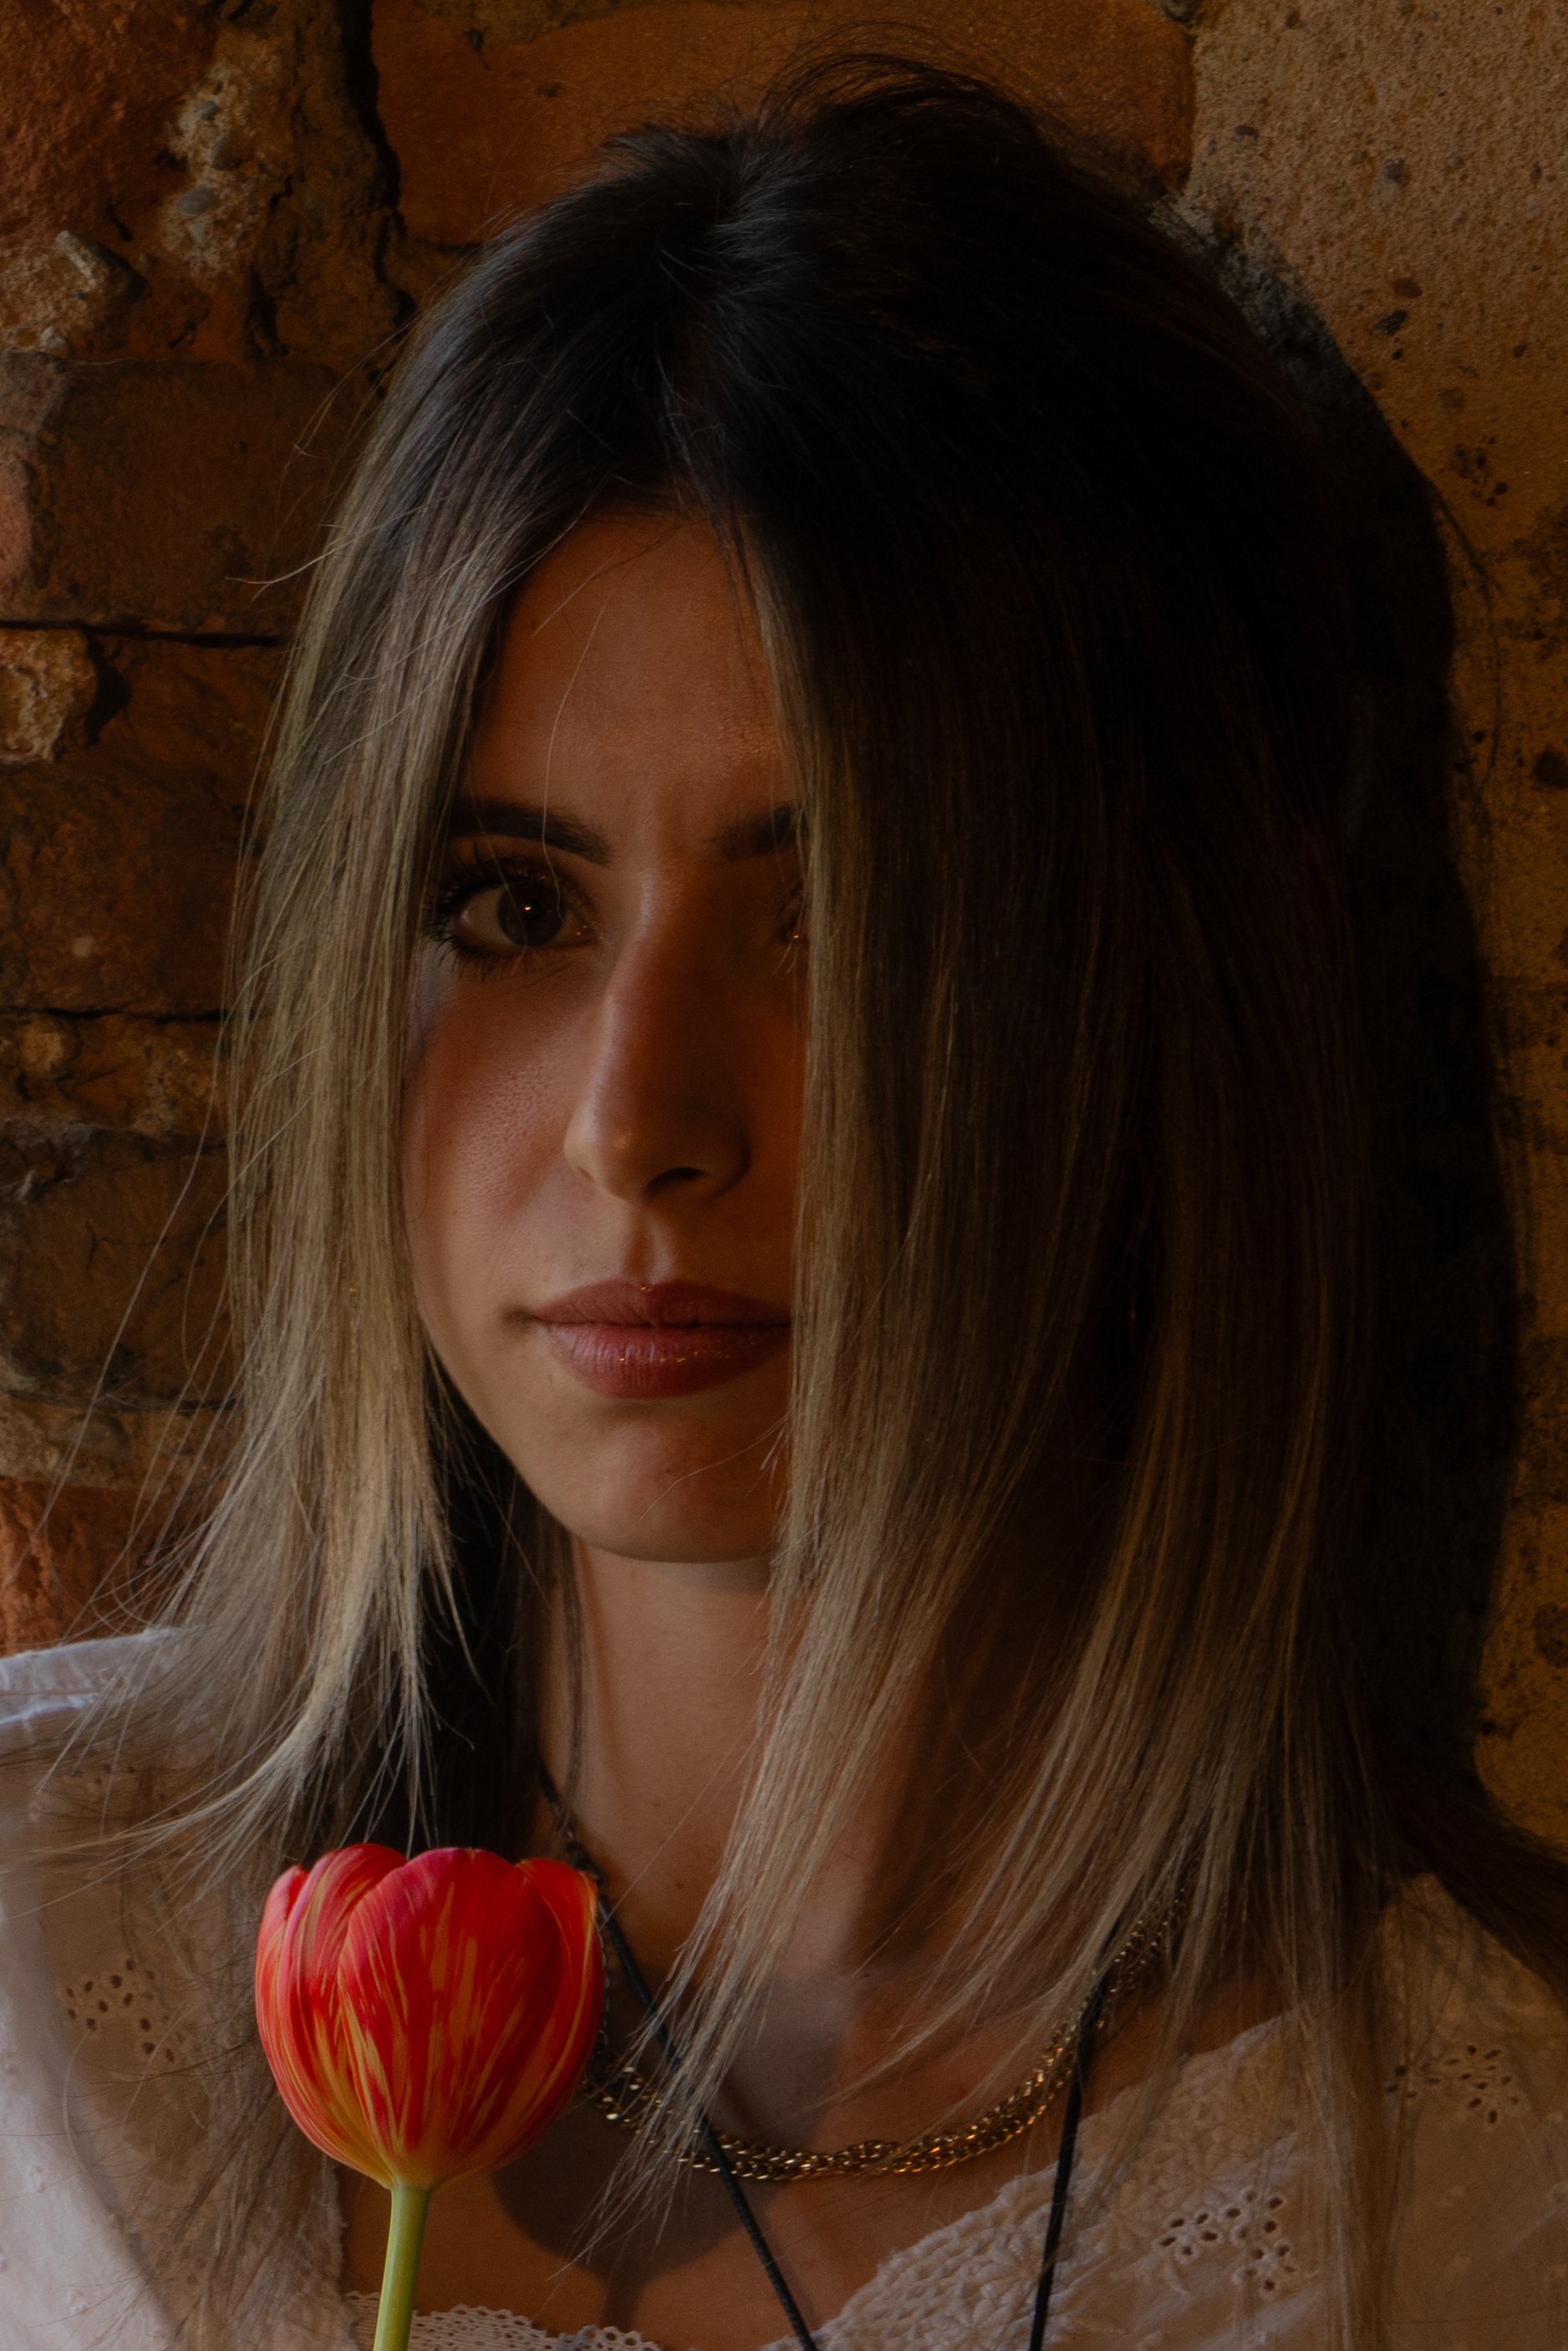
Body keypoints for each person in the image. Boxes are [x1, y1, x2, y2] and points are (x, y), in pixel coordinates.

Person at [1, 54, 1564, 2351]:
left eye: (841, 920)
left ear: (1182, 994)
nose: (635, 1122)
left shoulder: (1476, 2212)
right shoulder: (40, 1993)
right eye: (511, 902)